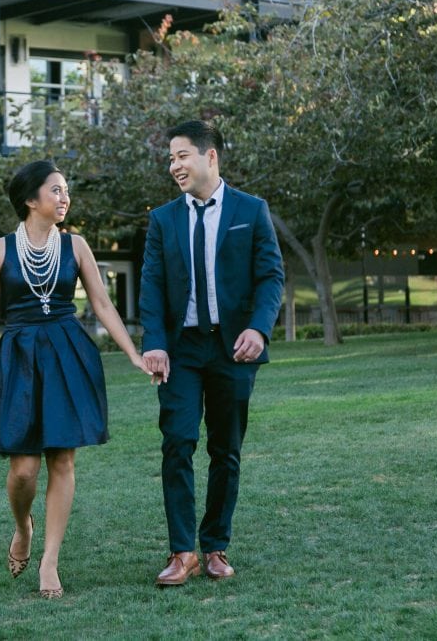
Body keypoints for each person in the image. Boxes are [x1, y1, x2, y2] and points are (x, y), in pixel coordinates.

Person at [0, 159, 150, 599]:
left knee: (62, 460)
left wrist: (133, 354)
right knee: (23, 470)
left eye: (66, 191)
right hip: (19, 356)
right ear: (30, 199)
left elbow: (102, 305)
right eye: (56, 190)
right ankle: (23, 526)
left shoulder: (75, 245)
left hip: (67, 353)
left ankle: (50, 561)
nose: (65, 198)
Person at [139, 120, 284, 585]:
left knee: (226, 449)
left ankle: (215, 545)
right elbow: (152, 284)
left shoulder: (251, 210)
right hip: (180, 350)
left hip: (233, 349)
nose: (174, 166)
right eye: (171, 158)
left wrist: (259, 329)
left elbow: (271, 276)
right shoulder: (163, 219)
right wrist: (154, 343)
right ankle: (182, 552)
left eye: (182, 155)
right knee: (177, 442)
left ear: (210, 156)